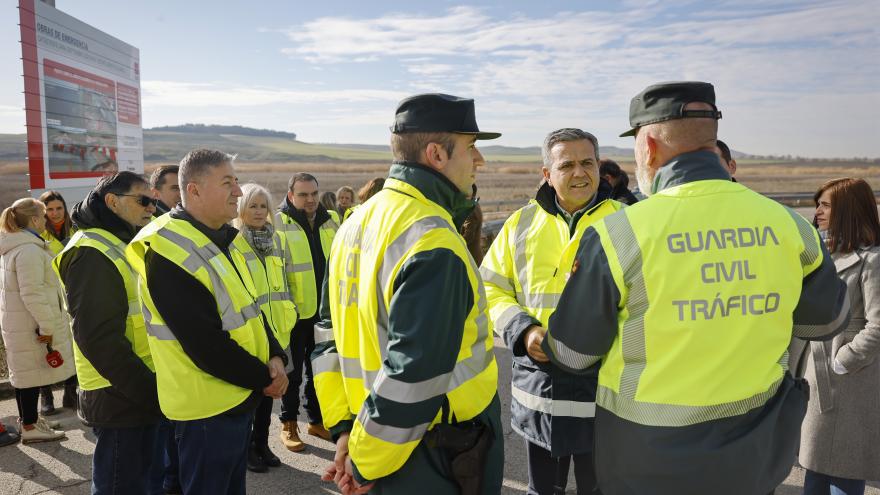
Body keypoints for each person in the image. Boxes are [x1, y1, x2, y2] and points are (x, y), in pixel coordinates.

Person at [541, 81, 851, 495]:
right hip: (755, 460)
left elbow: (573, 353)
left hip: (646, 463)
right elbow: (827, 322)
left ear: (648, 146)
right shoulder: (789, 224)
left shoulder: (618, 234)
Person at [313, 93, 503, 494]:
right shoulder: (430, 238)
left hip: (378, 438)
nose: (479, 161)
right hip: (433, 455)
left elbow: (327, 339)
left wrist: (346, 430)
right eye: (471, 147)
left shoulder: (355, 223)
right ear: (436, 154)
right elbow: (414, 374)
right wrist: (364, 464)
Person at [127, 149, 288, 495]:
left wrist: (275, 354)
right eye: (228, 183)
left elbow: (250, 307)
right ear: (195, 190)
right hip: (206, 412)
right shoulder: (169, 250)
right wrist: (266, 379)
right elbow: (206, 345)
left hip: (233, 399)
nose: (239, 192)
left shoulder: (218, 238)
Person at [481, 128, 623, 495]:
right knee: (543, 490)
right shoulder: (520, 224)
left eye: (587, 162)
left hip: (606, 389)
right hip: (542, 389)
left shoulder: (627, 223)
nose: (580, 173)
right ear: (547, 174)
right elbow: (489, 287)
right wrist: (523, 331)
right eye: (567, 165)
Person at [54, 172, 161, 493]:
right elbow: (98, 339)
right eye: (143, 200)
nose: (152, 208)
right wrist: (148, 391)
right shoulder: (91, 252)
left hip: (135, 388)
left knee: (142, 482)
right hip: (119, 393)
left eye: (154, 201)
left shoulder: (118, 241)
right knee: (120, 485)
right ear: (112, 201)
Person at [798, 178, 880, 495]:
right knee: (818, 464)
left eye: (826, 205)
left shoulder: (872, 261)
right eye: (817, 203)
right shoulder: (824, 253)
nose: (817, 211)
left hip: (847, 380)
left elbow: (877, 325)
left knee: (841, 468)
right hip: (817, 377)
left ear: (847, 209)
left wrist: (843, 361)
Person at [233, 182, 299, 473]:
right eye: (253, 206)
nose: (259, 212)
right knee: (253, 395)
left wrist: (293, 310)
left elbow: (286, 283)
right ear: (241, 209)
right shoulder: (234, 243)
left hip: (279, 330)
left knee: (272, 394)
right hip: (253, 331)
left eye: (263, 206)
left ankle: (262, 443)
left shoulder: (277, 241)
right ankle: (247, 449)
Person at [0, 197, 74, 443]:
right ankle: (31, 427)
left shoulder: (16, 246)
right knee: (30, 375)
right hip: (31, 325)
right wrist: (48, 326)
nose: (46, 219)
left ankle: (28, 421)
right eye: (43, 215)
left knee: (25, 374)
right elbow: (32, 293)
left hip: (20, 323)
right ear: (33, 219)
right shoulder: (29, 250)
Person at [274, 172, 338, 451]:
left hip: (325, 311)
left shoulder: (332, 220)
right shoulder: (278, 223)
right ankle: (288, 425)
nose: (310, 199)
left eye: (313, 193)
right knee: (294, 372)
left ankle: (316, 420)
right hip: (294, 313)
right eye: (303, 194)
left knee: (321, 369)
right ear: (291, 196)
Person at [36, 190, 78, 416]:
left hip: (72, 292)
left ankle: (71, 394)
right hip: (50, 296)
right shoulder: (40, 234)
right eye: (49, 209)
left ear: (64, 208)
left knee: (73, 343)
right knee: (48, 345)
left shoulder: (75, 229)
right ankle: (47, 395)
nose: (54, 213)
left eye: (58, 208)